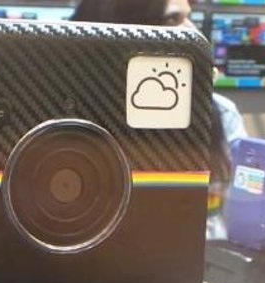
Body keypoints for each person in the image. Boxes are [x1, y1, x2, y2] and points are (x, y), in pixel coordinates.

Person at [72, 0, 248, 239]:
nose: (193, 32)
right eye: (172, 20)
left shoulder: (222, 113)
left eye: (189, 17)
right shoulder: (70, 119)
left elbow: (238, 211)